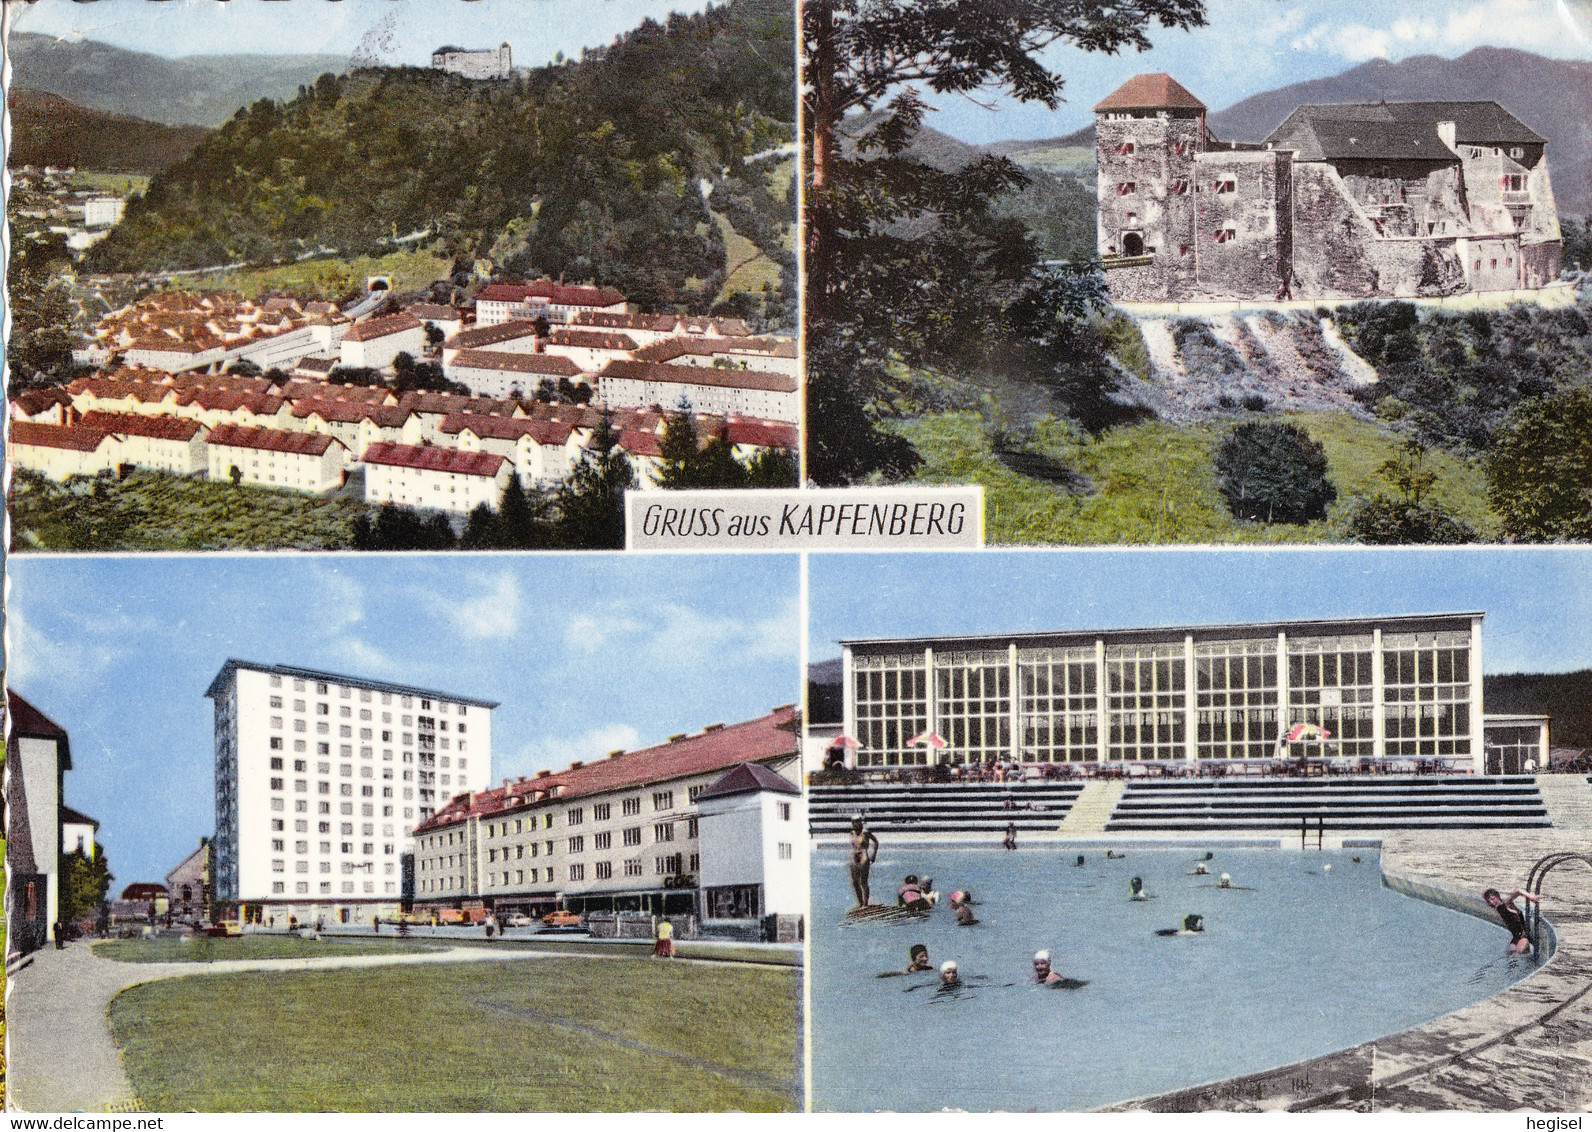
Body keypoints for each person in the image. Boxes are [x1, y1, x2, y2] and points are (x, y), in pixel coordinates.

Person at [1483, 888, 1539, 954]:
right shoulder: (1497, 907)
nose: (1492, 902)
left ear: (1497, 896)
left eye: (1493, 899)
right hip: (1515, 938)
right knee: (1510, 955)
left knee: (1519, 953)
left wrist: (1531, 897)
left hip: (1522, 936)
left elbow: (1517, 891)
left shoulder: (1506, 902)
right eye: (1489, 901)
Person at [849, 817, 880, 907]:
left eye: (857, 822)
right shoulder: (852, 832)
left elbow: (876, 842)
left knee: (863, 881)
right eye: (853, 822)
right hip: (854, 855)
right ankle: (860, 903)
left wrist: (874, 854)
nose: (855, 824)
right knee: (855, 882)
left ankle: (865, 903)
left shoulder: (865, 832)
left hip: (863, 854)